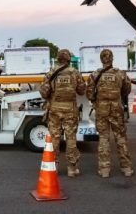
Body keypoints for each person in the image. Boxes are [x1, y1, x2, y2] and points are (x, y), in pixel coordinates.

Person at [86, 49, 134, 178]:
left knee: (103, 137)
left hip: (101, 109)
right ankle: (126, 167)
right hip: (116, 108)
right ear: (112, 58)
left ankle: (104, 169)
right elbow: (127, 89)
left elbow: (89, 93)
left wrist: (96, 99)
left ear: (101, 60)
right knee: (120, 137)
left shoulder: (95, 74)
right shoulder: (120, 73)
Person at [40, 49, 85, 177]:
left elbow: (44, 93)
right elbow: (82, 90)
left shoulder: (51, 73)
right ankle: (72, 168)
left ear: (58, 59)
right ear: (69, 59)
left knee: (55, 138)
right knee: (71, 139)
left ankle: (53, 167)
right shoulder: (74, 73)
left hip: (54, 109)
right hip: (70, 109)